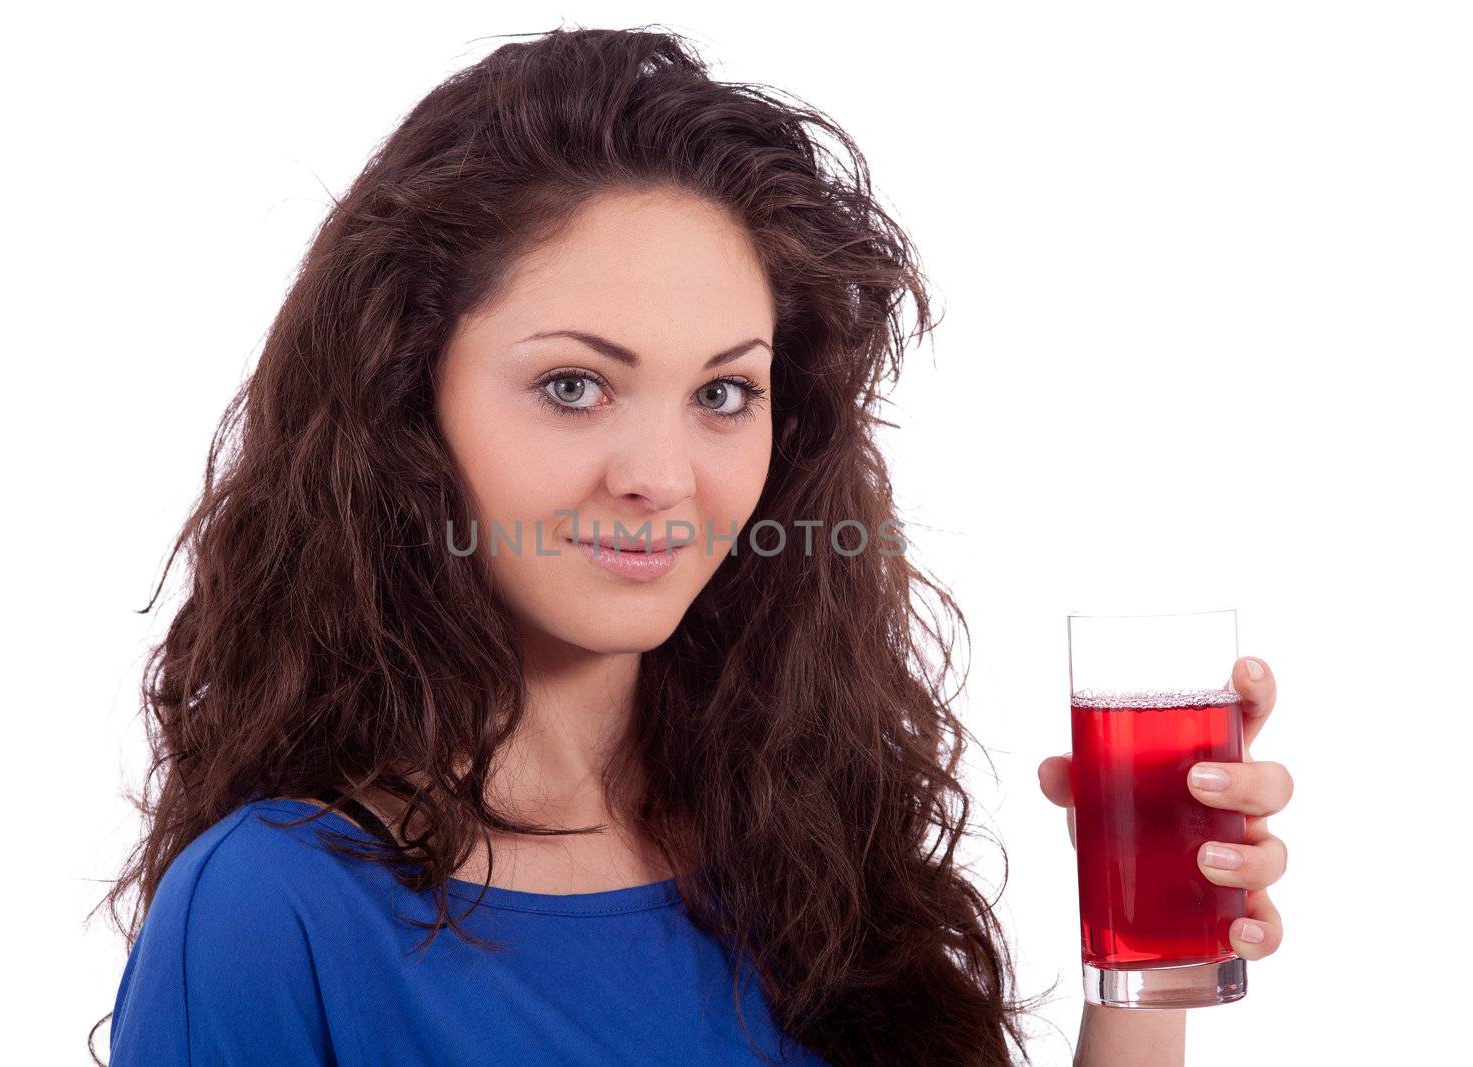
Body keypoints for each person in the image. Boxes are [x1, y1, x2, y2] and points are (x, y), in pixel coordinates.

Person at [90, 25, 1292, 1067]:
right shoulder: (269, 914)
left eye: (723, 393)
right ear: (408, 401)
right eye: (573, 384)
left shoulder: (807, 848)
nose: (660, 476)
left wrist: (1146, 962)